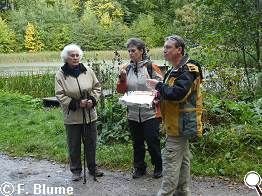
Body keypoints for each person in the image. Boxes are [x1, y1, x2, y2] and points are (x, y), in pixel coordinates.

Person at [146, 35, 203, 196]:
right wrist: (158, 96)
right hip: (176, 122)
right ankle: (183, 192)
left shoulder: (188, 70)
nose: (164, 50)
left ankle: (165, 193)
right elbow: (169, 92)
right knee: (183, 160)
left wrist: (157, 84)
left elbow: (178, 93)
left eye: (168, 47)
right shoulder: (174, 69)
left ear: (179, 50)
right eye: (164, 47)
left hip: (180, 123)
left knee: (170, 161)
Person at [55, 43, 103, 181]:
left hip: (89, 114)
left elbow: (97, 87)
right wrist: (76, 103)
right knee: (74, 144)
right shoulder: (60, 74)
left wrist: (92, 100)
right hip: (72, 116)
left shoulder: (87, 70)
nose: (75, 58)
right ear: (66, 57)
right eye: (72, 55)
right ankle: (76, 170)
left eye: (77, 55)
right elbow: (60, 94)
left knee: (91, 142)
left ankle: (93, 168)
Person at [116, 38, 163, 179]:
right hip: (133, 112)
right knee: (137, 142)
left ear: (141, 51)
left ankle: (158, 166)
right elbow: (120, 90)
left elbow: (162, 86)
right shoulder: (126, 68)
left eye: (133, 51)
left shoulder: (151, 66)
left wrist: (156, 95)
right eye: (129, 51)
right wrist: (122, 78)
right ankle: (139, 167)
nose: (130, 53)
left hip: (150, 111)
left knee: (152, 140)